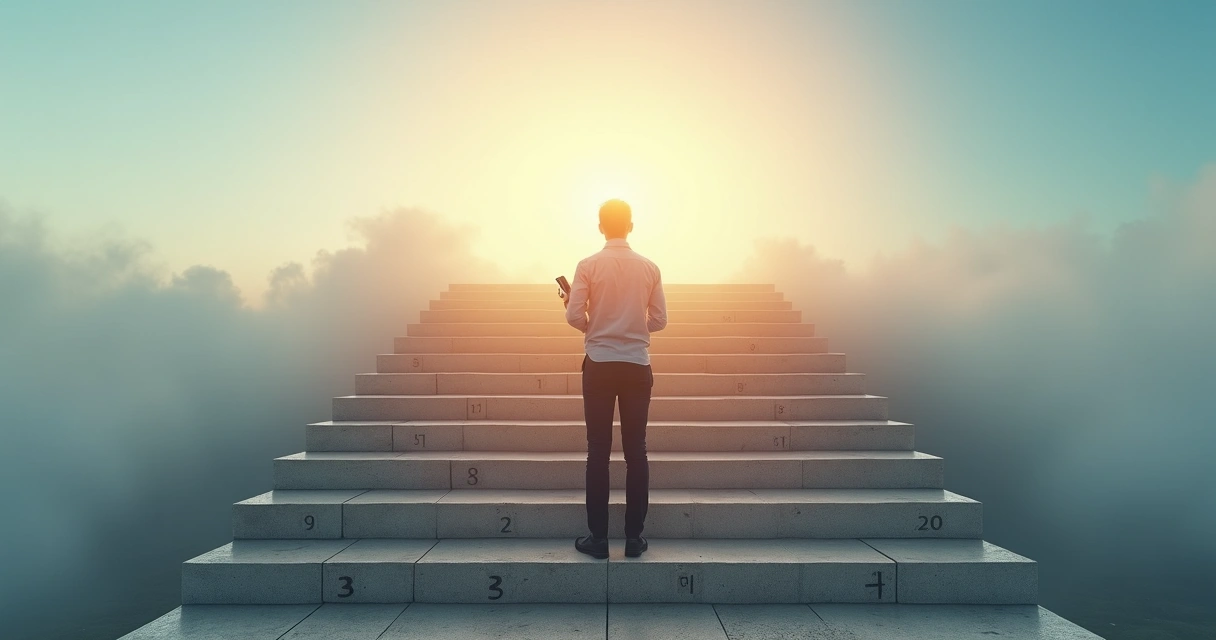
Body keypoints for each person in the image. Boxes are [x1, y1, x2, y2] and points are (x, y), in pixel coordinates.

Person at [563, 198, 667, 559]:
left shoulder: (588, 265)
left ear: (600, 226)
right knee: (636, 452)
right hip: (637, 364)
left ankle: (599, 539)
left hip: (600, 363)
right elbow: (660, 320)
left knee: (598, 451)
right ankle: (634, 539)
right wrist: (634, 326)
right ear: (631, 226)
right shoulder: (650, 267)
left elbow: (575, 317)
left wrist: (598, 325)